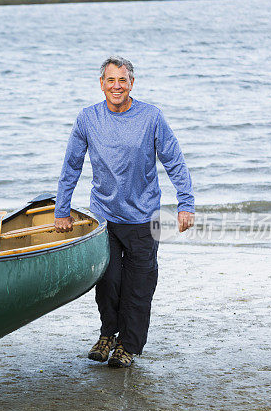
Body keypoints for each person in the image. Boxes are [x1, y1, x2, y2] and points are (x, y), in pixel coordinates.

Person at [54, 56, 194, 368]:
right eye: (110, 80)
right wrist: (61, 209)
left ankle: (127, 346)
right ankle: (108, 334)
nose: (116, 86)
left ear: (131, 84)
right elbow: (71, 165)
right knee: (107, 282)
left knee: (139, 286)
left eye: (122, 80)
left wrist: (186, 203)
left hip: (145, 218)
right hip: (104, 217)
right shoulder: (88, 118)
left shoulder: (151, 117)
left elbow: (175, 161)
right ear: (101, 84)